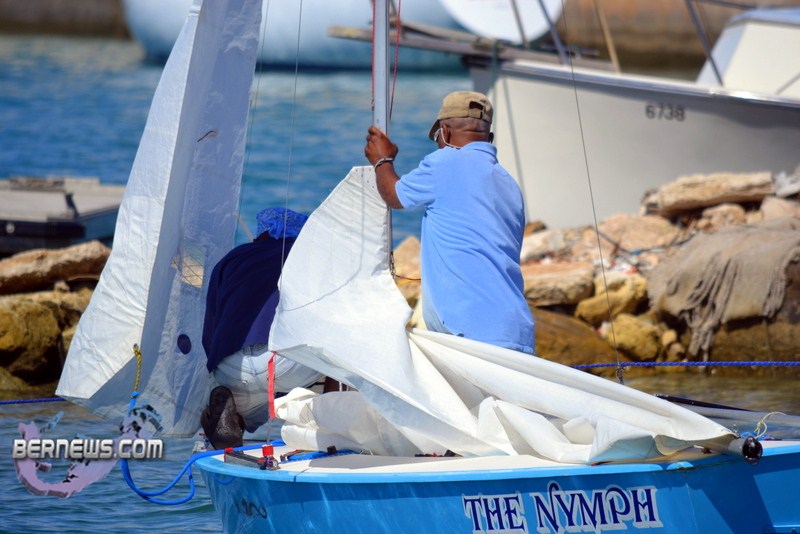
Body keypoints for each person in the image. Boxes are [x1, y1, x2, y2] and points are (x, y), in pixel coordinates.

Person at [364, 90, 535, 354]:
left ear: (444, 132)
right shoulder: (509, 184)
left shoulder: (444, 162)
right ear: (489, 137)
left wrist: (382, 160)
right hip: (517, 331)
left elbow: (395, 196)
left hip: (471, 331)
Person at [200, 207, 324, 449]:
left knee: (247, 398)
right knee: (337, 352)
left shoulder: (231, 259)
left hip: (232, 368)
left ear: (263, 232)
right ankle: (329, 427)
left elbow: (210, 332)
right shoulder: (310, 258)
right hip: (285, 362)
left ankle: (235, 421)